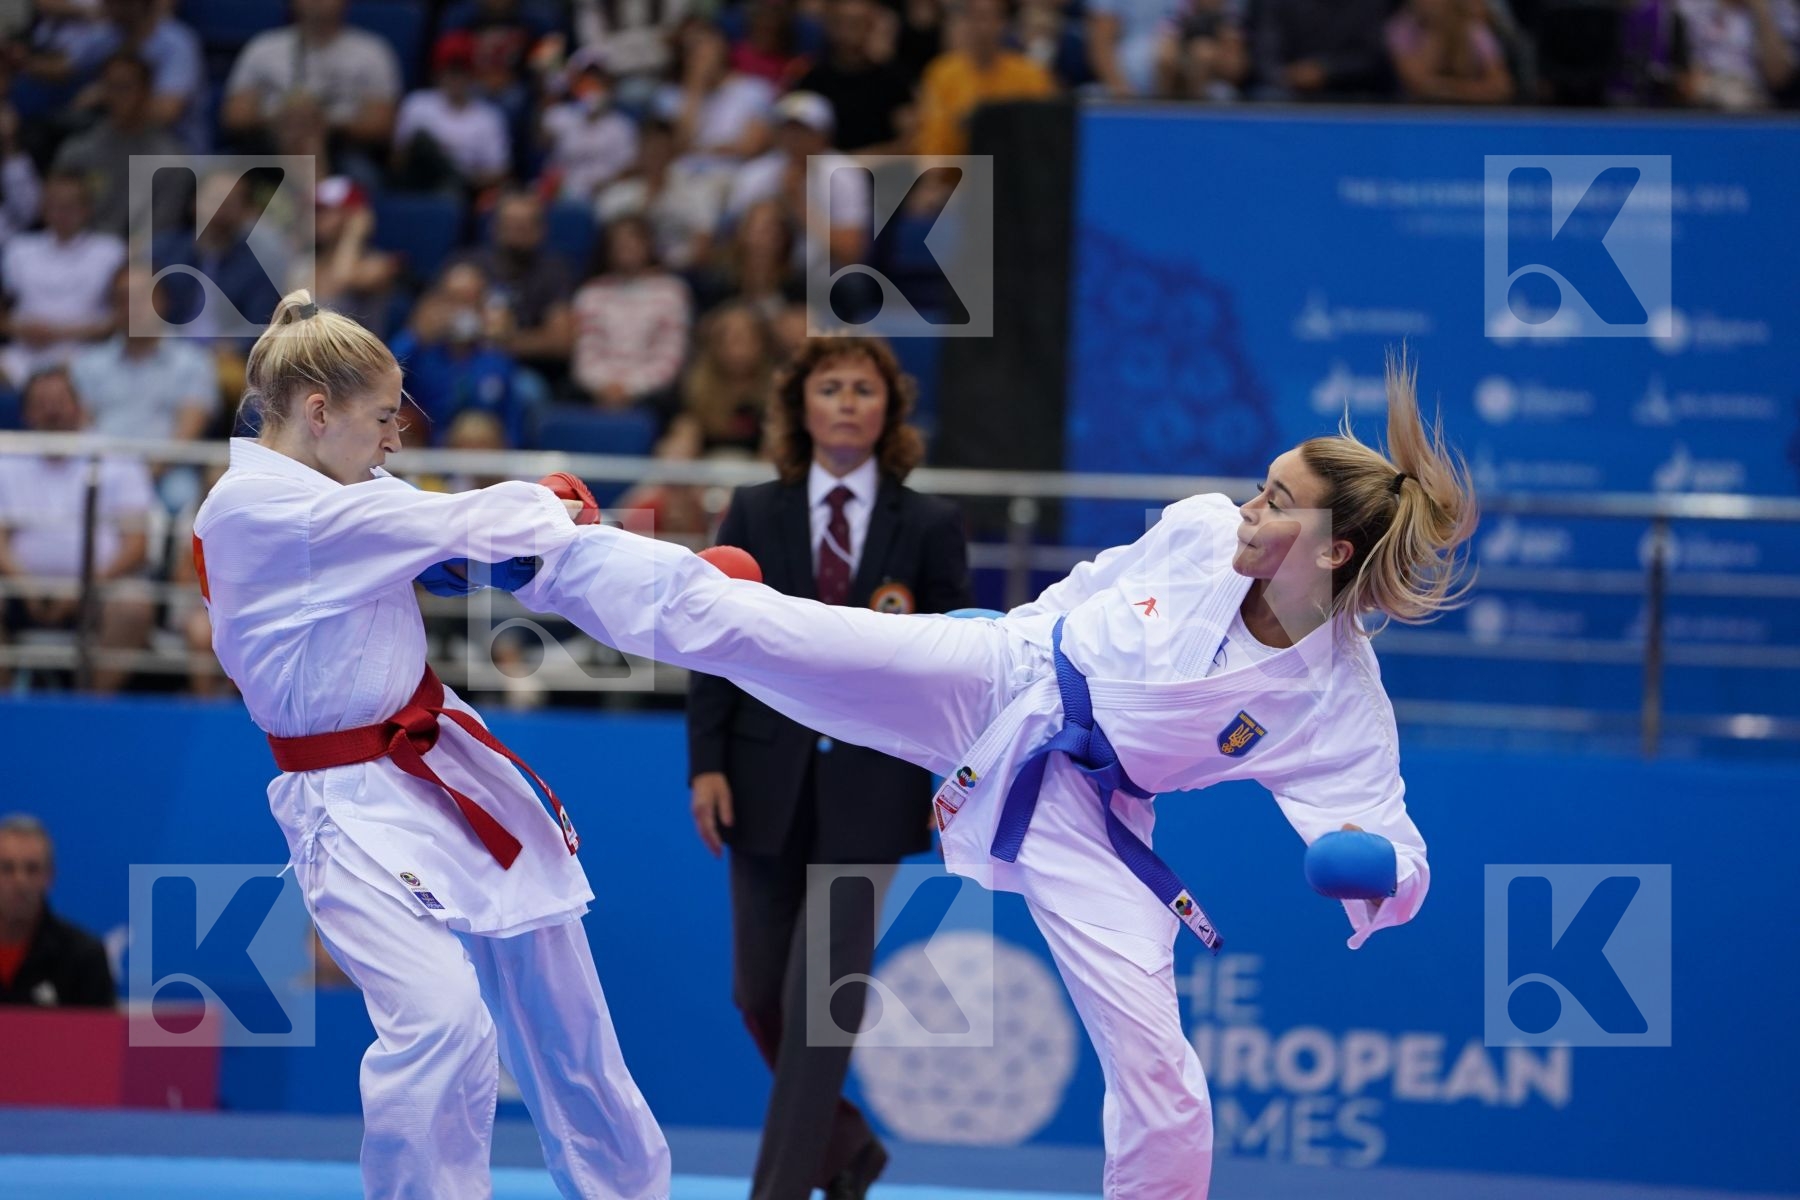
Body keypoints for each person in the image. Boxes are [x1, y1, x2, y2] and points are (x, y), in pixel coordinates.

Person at [510, 351, 1476, 1200]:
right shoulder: (1197, 529)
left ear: (1333, 550)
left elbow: (1395, 842)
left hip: (1095, 818)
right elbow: (1095, 584)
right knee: (764, 629)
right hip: (1002, 678)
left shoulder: (1337, 697)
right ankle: (544, 552)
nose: (1249, 506)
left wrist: (1373, 865)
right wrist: (1018, 631)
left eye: (1276, 500)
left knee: (1161, 1073)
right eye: (1262, 485)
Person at [191, 290, 669, 1200]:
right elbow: (444, 526)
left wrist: (505, 557)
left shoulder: (349, 485)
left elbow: (441, 549)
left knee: (568, 1014)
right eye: (383, 418)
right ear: (319, 411)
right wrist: (546, 502)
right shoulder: (257, 508)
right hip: (344, 802)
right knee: (441, 1025)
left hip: (442, 760)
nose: (395, 438)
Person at [686, 336, 972, 1200]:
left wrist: (955, 775)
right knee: (758, 995)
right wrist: (706, 763)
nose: (847, 402)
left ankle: (777, 1190)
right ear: (800, 408)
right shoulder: (753, 511)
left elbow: (958, 661)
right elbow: (713, 642)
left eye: (864, 389)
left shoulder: (928, 524)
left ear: (889, 412)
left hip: (874, 787)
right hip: (759, 777)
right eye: (831, 387)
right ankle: (845, 1146)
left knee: (821, 1007)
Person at [0, 366, 154, 695]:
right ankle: (9, 708)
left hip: (99, 588)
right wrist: (25, 586)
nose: (52, 411)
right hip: (20, 589)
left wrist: (85, 587)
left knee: (134, 605)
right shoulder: (7, 458)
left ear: (80, 406)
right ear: (26, 413)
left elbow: (137, 545)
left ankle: (89, 706)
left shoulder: (117, 457)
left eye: (59, 401)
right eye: (41, 403)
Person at [0, 814, 115, 1008]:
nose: (20, 881)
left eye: (32, 869)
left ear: (50, 876)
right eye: (7, 868)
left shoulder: (84, 959)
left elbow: (101, 1027)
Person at [915, 0, 1056, 156]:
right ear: (965, 22)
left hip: (1012, 165)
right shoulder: (941, 74)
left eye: (989, 17)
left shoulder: (1030, 75)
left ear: (1003, 23)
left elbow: (1045, 133)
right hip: (960, 166)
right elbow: (932, 143)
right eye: (975, 17)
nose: (982, 27)